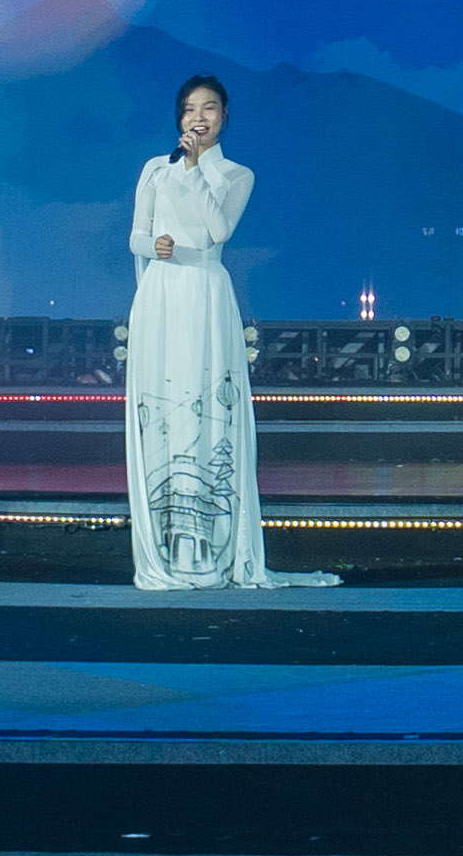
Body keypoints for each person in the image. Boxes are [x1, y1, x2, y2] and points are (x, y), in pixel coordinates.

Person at [121, 74, 331, 591]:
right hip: (160, 295)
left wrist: (194, 170)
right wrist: (154, 247)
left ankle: (213, 547)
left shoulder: (236, 175)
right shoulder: (154, 169)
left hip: (205, 292)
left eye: (209, 108)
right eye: (190, 108)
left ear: (224, 116)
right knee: (162, 406)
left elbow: (219, 231)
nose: (199, 117)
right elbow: (136, 236)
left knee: (205, 405)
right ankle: (165, 548)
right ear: (179, 117)